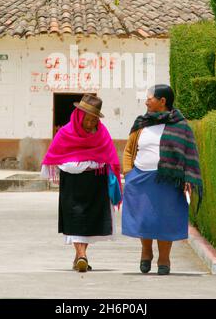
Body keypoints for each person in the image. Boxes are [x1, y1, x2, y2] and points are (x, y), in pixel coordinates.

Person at [122, 84, 203, 275]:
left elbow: (189, 153)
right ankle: (146, 250)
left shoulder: (181, 125)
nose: (146, 102)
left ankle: (164, 258)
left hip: (169, 181)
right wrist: (128, 173)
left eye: (150, 98)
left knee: (166, 220)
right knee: (144, 219)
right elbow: (128, 150)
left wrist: (187, 179)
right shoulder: (141, 123)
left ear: (162, 101)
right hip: (141, 177)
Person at [41, 94, 122, 273]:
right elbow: (54, 154)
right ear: (79, 115)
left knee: (88, 221)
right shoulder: (65, 133)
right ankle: (82, 255)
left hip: (96, 182)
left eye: (95, 119)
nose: (92, 123)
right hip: (73, 182)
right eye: (89, 119)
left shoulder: (102, 132)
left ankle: (79, 256)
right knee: (75, 218)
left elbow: (110, 156)